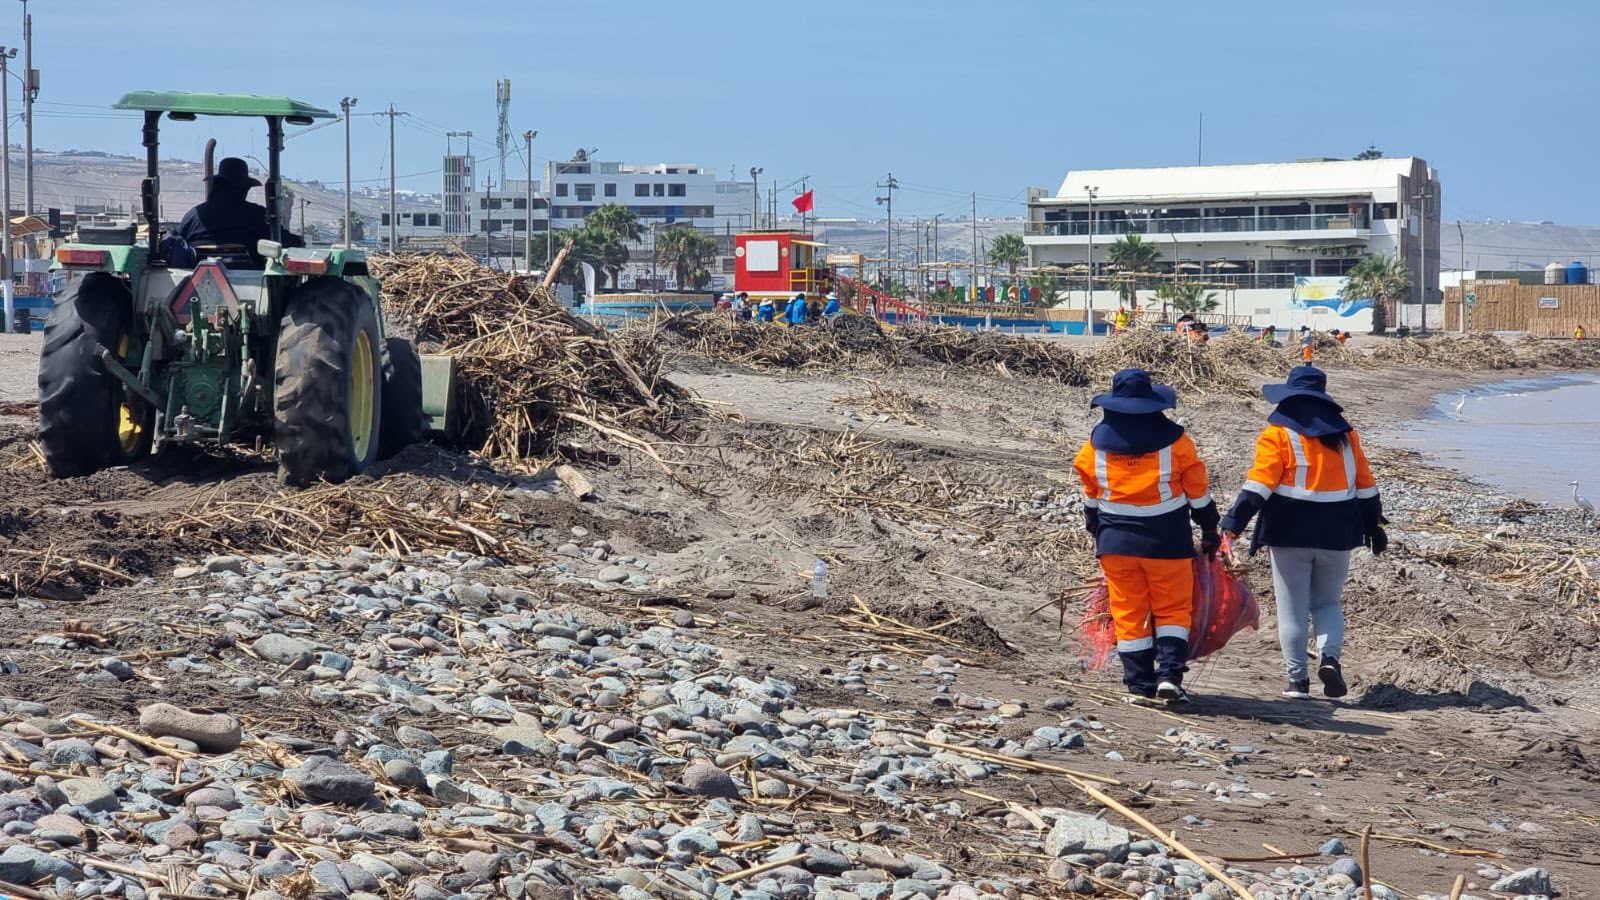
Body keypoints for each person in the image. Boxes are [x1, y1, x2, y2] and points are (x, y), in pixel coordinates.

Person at [1219, 366, 1384, 700]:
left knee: (1291, 608)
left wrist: (1232, 525)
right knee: (1327, 603)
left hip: (1288, 531)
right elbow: (1365, 486)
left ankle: (1298, 683)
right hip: (1338, 532)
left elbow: (1258, 487)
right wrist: (1374, 527)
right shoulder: (1346, 436)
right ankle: (1330, 658)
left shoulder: (1277, 435)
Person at [1075, 369, 1220, 704]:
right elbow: (1199, 497)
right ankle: (1169, 676)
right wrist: (1210, 530)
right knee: (1172, 610)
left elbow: (1091, 500)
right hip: (1168, 543)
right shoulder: (1178, 445)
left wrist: (1098, 530)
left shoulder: (1093, 448)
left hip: (1115, 546)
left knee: (1128, 612)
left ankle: (1139, 685)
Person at [177, 157, 302, 253]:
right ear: (242, 189)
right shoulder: (257, 215)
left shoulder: (193, 216)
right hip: (253, 281)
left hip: (194, 279)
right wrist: (299, 241)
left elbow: (178, 242)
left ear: (216, 186)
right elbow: (285, 241)